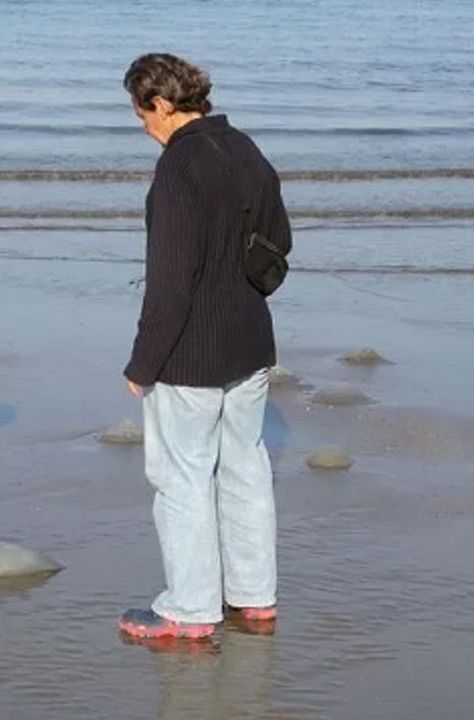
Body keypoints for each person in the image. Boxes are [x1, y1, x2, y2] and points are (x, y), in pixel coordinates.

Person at [117, 54, 292, 639]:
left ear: (161, 103)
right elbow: (279, 242)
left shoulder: (177, 168)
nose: (141, 123)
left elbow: (171, 279)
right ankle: (253, 596)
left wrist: (144, 363)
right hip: (249, 339)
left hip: (191, 351)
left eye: (140, 110)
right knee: (246, 467)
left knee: (181, 475)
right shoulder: (244, 148)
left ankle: (190, 610)